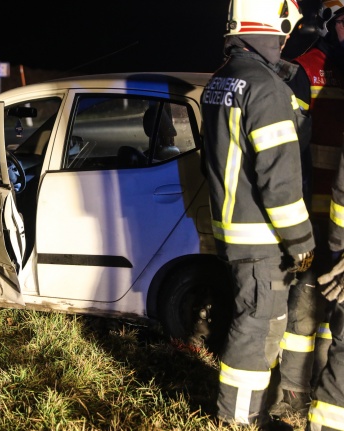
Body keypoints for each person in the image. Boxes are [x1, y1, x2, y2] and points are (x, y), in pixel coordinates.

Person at [201, 1, 315, 429]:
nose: (288, 39)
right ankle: (240, 420)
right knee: (258, 327)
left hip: (233, 229)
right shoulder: (265, 88)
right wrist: (302, 241)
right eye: (287, 30)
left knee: (252, 318)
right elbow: (279, 180)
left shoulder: (223, 79)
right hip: (262, 237)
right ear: (275, 25)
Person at [273, 0, 344, 417]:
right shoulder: (304, 69)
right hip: (309, 217)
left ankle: (327, 389)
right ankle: (292, 397)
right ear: (329, 23)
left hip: (340, 223)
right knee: (303, 307)